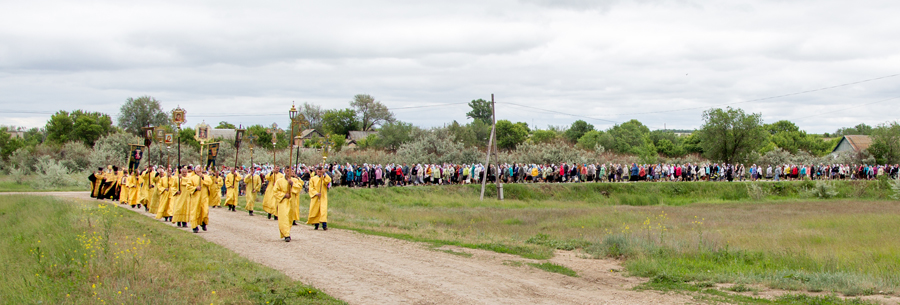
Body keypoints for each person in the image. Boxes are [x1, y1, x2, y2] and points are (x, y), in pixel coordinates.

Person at [275, 166, 302, 242]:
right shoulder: (279, 181)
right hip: (283, 201)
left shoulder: (294, 180)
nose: (288, 172)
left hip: (291, 201)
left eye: (290, 171)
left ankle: (287, 231)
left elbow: (299, 188)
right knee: (284, 217)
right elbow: (275, 191)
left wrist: (292, 183)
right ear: (284, 171)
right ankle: (286, 234)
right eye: (287, 171)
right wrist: (283, 195)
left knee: (289, 218)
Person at [307, 165, 332, 230]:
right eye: (318, 172)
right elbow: (311, 188)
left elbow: (328, 180)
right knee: (315, 210)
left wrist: (324, 173)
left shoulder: (324, 178)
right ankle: (316, 224)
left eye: (321, 172)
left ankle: (324, 225)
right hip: (316, 197)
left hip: (323, 197)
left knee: (323, 211)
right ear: (316, 171)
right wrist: (316, 193)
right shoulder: (313, 179)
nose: (319, 173)